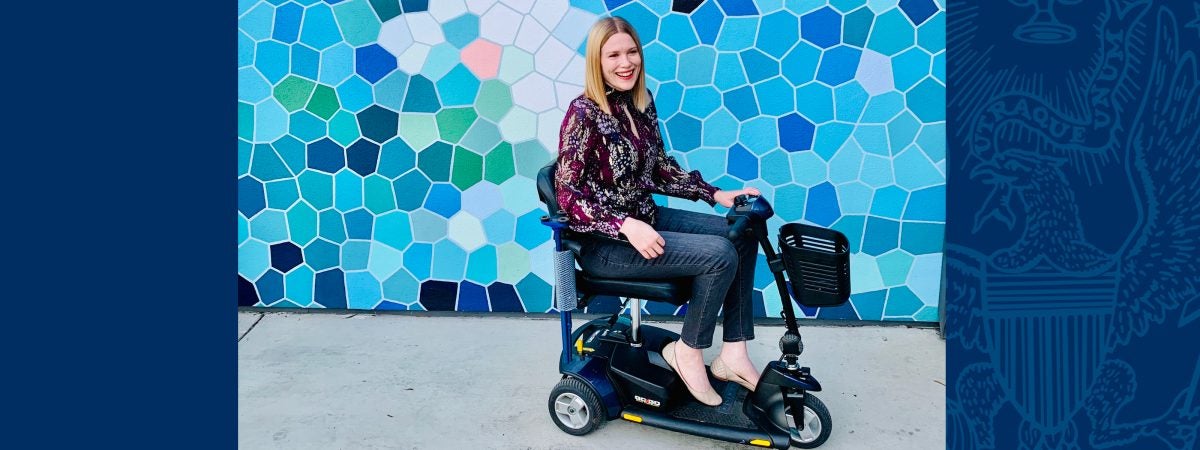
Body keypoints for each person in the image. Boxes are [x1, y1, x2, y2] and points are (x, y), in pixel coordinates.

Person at [554, 16, 762, 407]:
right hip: (606, 246)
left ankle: (733, 354)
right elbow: (567, 196)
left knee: (742, 231)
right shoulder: (582, 114)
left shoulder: (641, 101)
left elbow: (659, 167)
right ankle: (688, 350)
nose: (625, 62)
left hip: (646, 219)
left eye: (631, 51)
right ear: (596, 62)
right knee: (719, 256)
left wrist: (715, 193)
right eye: (613, 54)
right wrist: (624, 225)